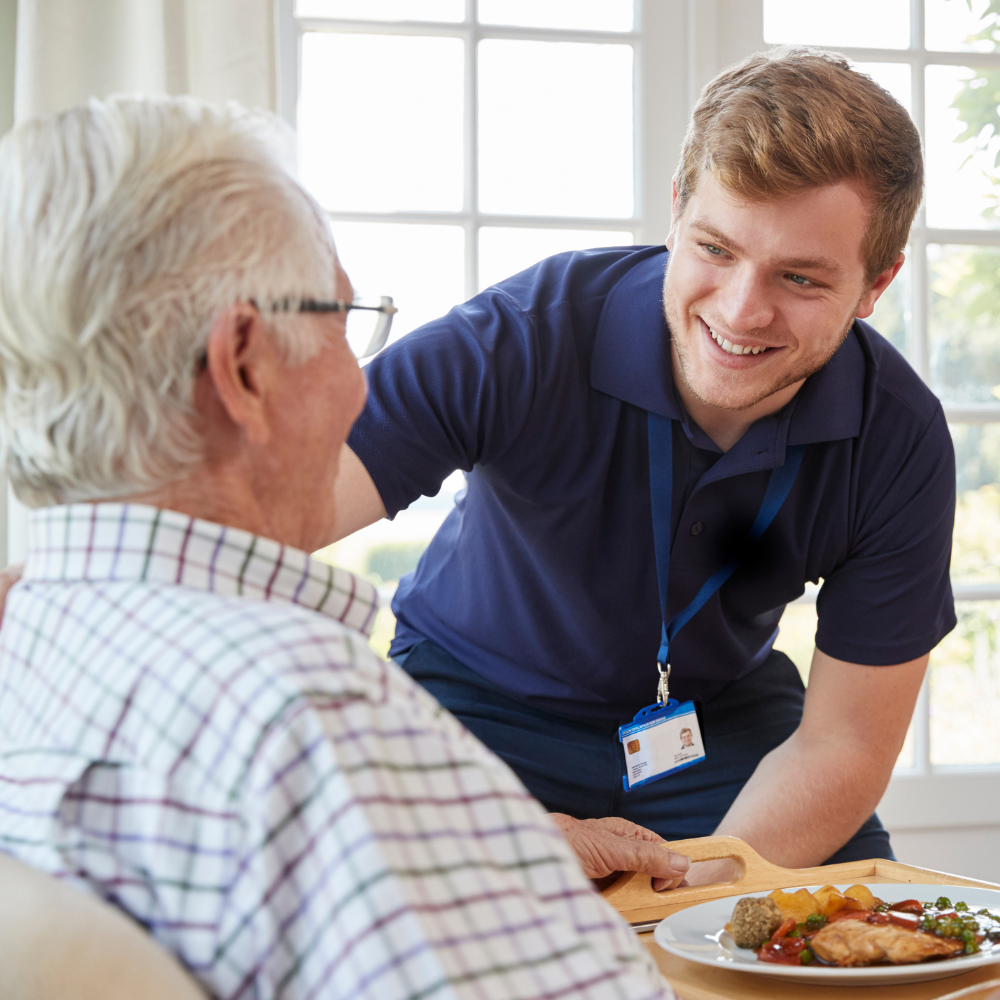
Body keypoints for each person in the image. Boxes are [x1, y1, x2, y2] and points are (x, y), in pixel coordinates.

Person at [0, 95, 683, 1000]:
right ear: (243, 364)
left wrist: (449, 841)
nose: (361, 384)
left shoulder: (30, 632)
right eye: (339, 322)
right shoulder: (304, 710)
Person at [332, 48, 956, 881]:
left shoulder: (899, 435)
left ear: (877, 283)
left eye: (800, 277)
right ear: (676, 213)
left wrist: (696, 896)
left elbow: (843, 742)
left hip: (716, 722)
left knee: (835, 933)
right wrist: (486, 841)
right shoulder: (521, 337)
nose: (741, 312)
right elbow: (250, 512)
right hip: (470, 702)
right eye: (716, 248)